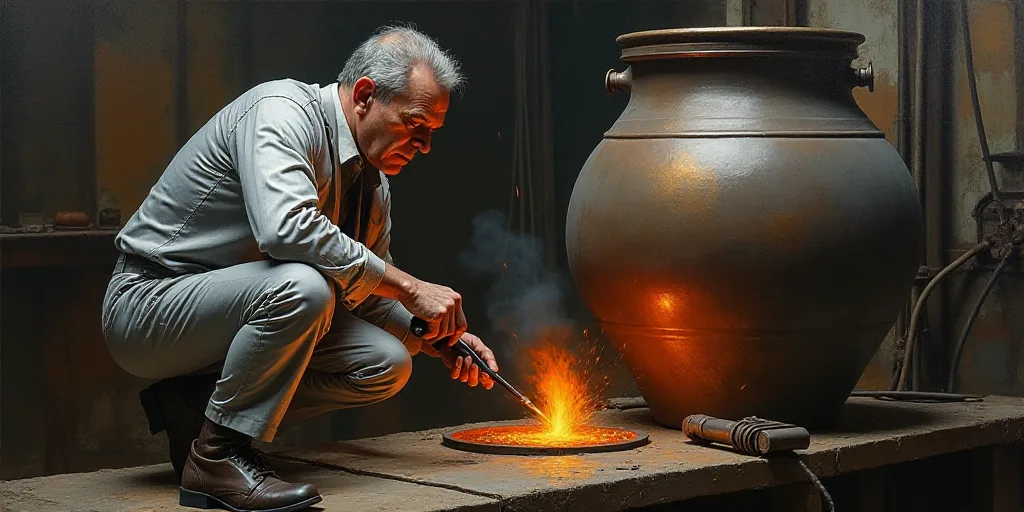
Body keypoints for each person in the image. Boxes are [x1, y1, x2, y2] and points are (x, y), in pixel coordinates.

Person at [100, 25, 499, 512]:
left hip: (232, 318)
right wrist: (412, 287)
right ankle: (217, 457)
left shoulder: (373, 182)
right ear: (365, 95)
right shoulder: (281, 111)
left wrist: (432, 333)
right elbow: (284, 230)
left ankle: (199, 412)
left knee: (388, 362)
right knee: (304, 287)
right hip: (148, 304)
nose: (425, 146)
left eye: (432, 133)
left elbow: (371, 295)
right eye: (415, 125)